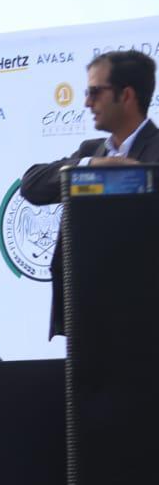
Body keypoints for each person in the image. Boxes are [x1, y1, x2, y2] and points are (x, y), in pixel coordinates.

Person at [22, 49, 159, 337]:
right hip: (88, 319)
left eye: (96, 92)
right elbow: (31, 185)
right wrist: (91, 166)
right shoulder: (89, 152)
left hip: (144, 319)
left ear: (127, 95)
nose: (86, 102)